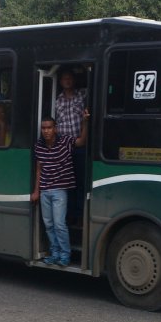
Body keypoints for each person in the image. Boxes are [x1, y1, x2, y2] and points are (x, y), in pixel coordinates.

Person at [30, 109, 89, 267]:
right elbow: (39, 169)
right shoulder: (39, 146)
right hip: (44, 190)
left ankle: (65, 254)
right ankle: (54, 253)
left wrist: (85, 122)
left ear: (55, 128)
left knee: (59, 224)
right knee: (48, 224)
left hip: (60, 190)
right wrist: (37, 191)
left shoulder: (65, 141)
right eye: (43, 128)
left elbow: (82, 142)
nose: (46, 131)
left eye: (49, 127)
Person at [55, 69, 88, 224]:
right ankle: (69, 215)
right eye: (64, 78)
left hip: (79, 144)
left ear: (73, 80)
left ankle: (80, 214)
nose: (67, 81)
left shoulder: (82, 95)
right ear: (61, 82)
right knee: (67, 182)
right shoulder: (57, 100)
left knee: (80, 181)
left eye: (70, 78)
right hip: (63, 146)